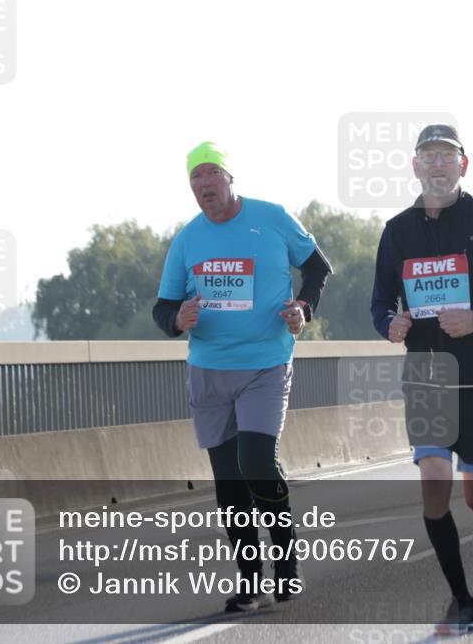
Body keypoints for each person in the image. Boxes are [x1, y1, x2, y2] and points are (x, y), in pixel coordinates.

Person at [370, 124, 473, 635]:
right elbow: (380, 303)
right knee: (435, 485)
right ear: (415, 166)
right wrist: (390, 324)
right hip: (427, 377)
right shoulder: (397, 231)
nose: (437, 165)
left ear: (463, 165)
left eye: (447, 156)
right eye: (429, 156)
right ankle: (464, 602)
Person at [152, 141, 332, 612]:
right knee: (230, 483)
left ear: (230, 178)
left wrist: (302, 307)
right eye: (195, 177)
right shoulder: (188, 239)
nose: (204, 184)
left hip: (265, 364)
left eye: (212, 173)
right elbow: (163, 308)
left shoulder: (271, 218)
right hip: (209, 371)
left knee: (256, 461)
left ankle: (287, 565)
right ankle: (251, 583)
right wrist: (177, 319)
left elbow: (318, 267)